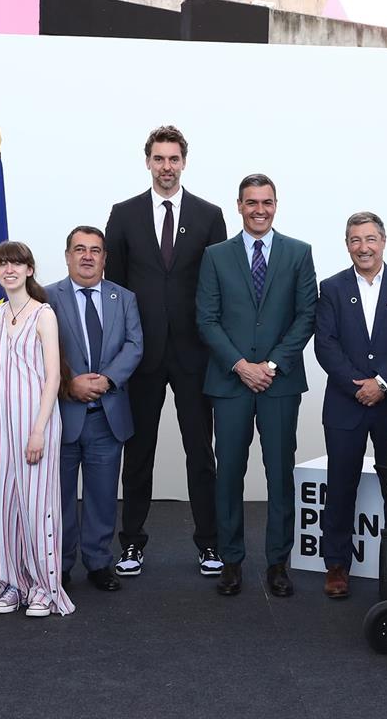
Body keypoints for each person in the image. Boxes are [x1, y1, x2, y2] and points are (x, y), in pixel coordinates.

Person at [104, 125, 227, 578]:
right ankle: (132, 544)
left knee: (201, 452)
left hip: (195, 354)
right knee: (138, 454)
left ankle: (209, 543)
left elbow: (218, 286)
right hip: (141, 355)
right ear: (148, 162)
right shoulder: (124, 214)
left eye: (174, 159)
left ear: (184, 162)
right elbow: (113, 287)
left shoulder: (210, 215)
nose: (167, 167)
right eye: (159, 159)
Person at [196, 174, 317, 597]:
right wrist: (240, 365)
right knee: (228, 473)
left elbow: (306, 316)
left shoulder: (299, 253)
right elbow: (206, 318)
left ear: (276, 204)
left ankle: (278, 562)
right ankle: (231, 561)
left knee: (279, 473)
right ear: (239, 205)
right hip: (230, 383)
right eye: (251, 202)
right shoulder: (215, 256)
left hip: (279, 384)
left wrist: (270, 365)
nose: (259, 209)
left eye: (266, 202)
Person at [313, 211, 387, 599]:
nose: (364, 247)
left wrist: (382, 384)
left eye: (370, 239)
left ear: (383, 241)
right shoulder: (331, 287)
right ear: (347, 245)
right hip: (345, 404)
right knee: (341, 486)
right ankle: (336, 566)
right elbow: (324, 343)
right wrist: (357, 385)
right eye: (356, 240)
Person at [45, 226, 144, 592]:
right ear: (68, 255)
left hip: (107, 414)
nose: (88, 256)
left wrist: (106, 380)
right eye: (80, 249)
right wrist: (68, 385)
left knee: (103, 496)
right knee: (61, 497)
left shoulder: (125, 298)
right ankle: (61, 562)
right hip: (63, 414)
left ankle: (100, 562)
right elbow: (38, 351)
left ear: (105, 257)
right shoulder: (47, 297)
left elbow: (134, 345)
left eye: (96, 250)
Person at [0, 241, 75, 617]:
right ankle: (12, 583)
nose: (9, 270)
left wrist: (39, 429)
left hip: (35, 421)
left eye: (16, 264)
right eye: (2, 264)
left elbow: (53, 375)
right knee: (4, 505)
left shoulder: (44, 314)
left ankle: (43, 586)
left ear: (29, 269)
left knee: (38, 506)